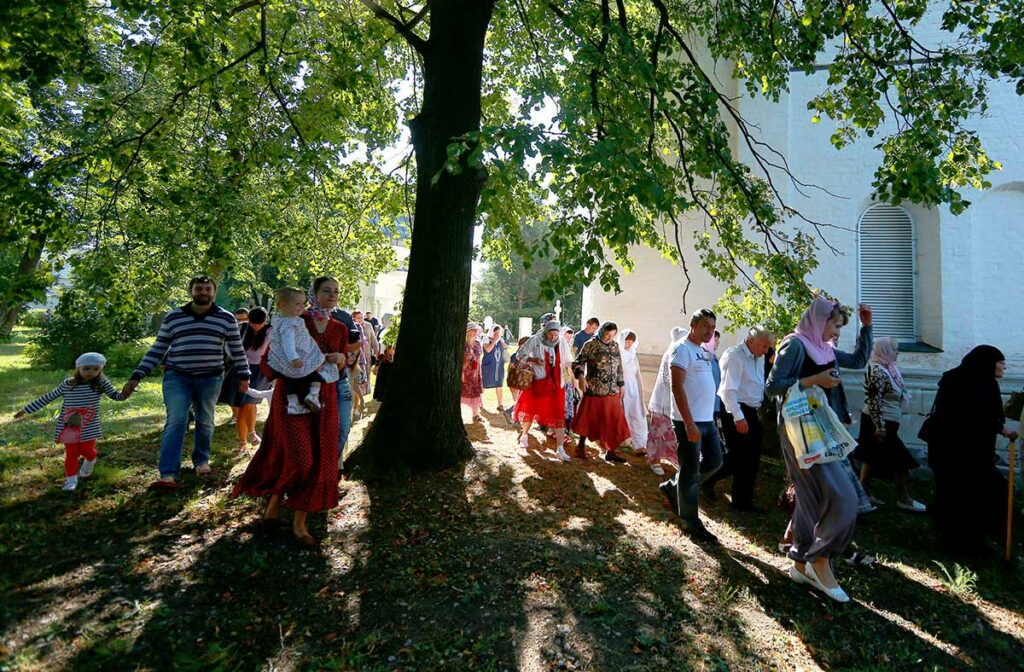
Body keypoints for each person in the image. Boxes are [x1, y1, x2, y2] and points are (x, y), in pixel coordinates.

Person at [765, 297, 872, 603]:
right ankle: (820, 557)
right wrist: (816, 380)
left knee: (810, 499)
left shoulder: (823, 348)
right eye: (835, 326)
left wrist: (867, 328)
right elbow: (773, 386)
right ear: (819, 320)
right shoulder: (795, 345)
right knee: (843, 496)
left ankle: (800, 562)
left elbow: (858, 361)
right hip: (799, 431)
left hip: (822, 427)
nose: (836, 333)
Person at [232, 278, 346, 546]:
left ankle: (299, 522)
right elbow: (270, 362)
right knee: (299, 456)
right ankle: (274, 500)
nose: (332, 295)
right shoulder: (293, 319)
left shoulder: (340, 328)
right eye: (326, 290)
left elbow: (338, 370)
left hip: (322, 400)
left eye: (336, 291)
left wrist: (340, 360)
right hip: (290, 399)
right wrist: (295, 369)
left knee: (319, 458)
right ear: (313, 295)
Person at [124, 275, 250, 489]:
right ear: (191, 291)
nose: (203, 292)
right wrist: (137, 375)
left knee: (205, 419)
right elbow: (158, 348)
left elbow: (236, 349)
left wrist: (244, 375)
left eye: (207, 289)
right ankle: (168, 474)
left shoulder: (226, 318)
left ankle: (201, 462)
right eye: (198, 288)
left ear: (214, 292)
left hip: (211, 377)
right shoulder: (174, 317)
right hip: (177, 376)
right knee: (177, 420)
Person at [926, 345, 1018, 555]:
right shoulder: (979, 384)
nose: (1004, 366)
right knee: (973, 496)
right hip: (963, 454)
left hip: (952, 452)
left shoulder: (957, 378)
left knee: (957, 496)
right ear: (988, 363)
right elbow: (971, 415)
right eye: (1000, 362)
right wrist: (1001, 427)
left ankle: (961, 542)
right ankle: (967, 544)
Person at [15, 352, 127, 491]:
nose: (91, 372)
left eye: (96, 369)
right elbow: (48, 397)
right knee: (72, 453)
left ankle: (91, 458)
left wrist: (126, 392)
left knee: (87, 450)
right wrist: (26, 410)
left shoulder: (101, 384)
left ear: (100, 369)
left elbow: (116, 396)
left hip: (89, 426)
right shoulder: (69, 384)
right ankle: (71, 480)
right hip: (69, 426)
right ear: (78, 368)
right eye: (86, 368)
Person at [657, 309, 723, 542]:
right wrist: (689, 423)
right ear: (693, 325)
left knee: (715, 460)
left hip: (707, 420)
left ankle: (673, 487)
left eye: (712, 327)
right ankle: (691, 522)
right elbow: (677, 387)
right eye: (705, 325)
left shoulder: (703, 351)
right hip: (690, 422)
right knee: (689, 469)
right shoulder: (682, 349)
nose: (709, 331)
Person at [703, 326, 775, 511]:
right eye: (764, 346)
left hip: (751, 410)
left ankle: (742, 500)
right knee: (739, 457)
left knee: (750, 457)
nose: (767, 351)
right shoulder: (735, 356)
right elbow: (728, 391)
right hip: (735, 410)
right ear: (751, 341)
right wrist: (738, 417)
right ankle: (707, 479)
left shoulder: (759, 356)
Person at [854, 337, 925, 512]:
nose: (897, 352)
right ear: (884, 350)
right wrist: (880, 426)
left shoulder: (889, 369)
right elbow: (873, 400)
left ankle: (861, 494)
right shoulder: (876, 371)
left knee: (870, 457)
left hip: (888, 422)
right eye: (894, 348)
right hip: (878, 423)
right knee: (901, 461)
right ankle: (904, 499)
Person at [269, 287, 340, 415]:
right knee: (316, 370)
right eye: (297, 304)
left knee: (289, 378)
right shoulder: (289, 323)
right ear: (282, 305)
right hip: (299, 354)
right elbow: (288, 342)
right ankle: (313, 394)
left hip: (289, 357)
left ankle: (293, 404)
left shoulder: (281, 320)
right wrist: (293, 357)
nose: (302, 307)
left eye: (303, 303)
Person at [512, 321, 573, 461]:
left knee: (558, 413)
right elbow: (520, 354)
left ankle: (560, 448)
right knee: (530, 408)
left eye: (555, 335)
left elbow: (568, 360)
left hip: (557, 383)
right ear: (545, 332)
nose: (552, 338)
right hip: (538, 380)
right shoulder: (536, 339)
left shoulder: (562, 342)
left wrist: (573, 372)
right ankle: (525, 435)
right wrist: (532, 359)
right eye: (550, 335)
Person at [572, 321, 631, 463]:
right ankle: (580, 447)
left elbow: (619, 367)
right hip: (594, 389)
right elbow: (577, 362)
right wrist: (580, 376)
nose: (608, 338)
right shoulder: (590, 345)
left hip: (612, 391)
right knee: (588, 419)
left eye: (612, 336)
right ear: (601, 332)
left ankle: (610, 451)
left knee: (613, 420)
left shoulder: (615, 345)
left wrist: (621, 384)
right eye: (606, 335)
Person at [219, 307, 272, 451]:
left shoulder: (271, 331)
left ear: (265, 321)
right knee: (240, 406)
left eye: (259, 324)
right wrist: (238, 360)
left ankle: (251, 433)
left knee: (249, 403)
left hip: (260, 371)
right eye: (253, 323)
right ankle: (242, 442)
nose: (256, 327)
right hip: (241, 368)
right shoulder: (240, 328)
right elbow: (229, 346)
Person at [646, 327, 687, 476]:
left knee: (672, 435)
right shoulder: (671, 354)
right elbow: (668, 380)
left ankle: (676, 460)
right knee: (658, 433)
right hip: (663, 402)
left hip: (674, 403)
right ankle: (654, 459)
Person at [618, 329, 648, 456]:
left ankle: (640, 444)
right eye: (627, 341)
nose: (628, 344)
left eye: (631, 342)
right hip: (621, 387)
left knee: (637, 414)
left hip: (633, 388)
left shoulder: (633, 355)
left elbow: (637, 374)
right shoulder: (618, 354)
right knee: (622, 414)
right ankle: (623, 442)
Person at [481, 325, 509, 414]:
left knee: (499, 385)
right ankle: (479, 402)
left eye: (498, 332)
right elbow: (488, 349)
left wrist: (504, 344)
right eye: (495, 332)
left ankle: (500, 404)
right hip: (488, 366)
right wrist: (494, 341)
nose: (497, 334)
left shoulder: (501, 340)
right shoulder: (486, 339)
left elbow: (505, 348)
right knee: (484, 384)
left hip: (498, 366)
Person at [462, 323, 485, 421]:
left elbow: (479, 358)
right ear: (467, 331)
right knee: (461, 391)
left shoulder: (477, 343)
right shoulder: (463, 343)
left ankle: (475, 414)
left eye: (476, 330)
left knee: (475, 392)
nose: (475, 332)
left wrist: (479, 372)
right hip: (465, 371)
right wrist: (462, 373)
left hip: (475, 372)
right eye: (473, 330)